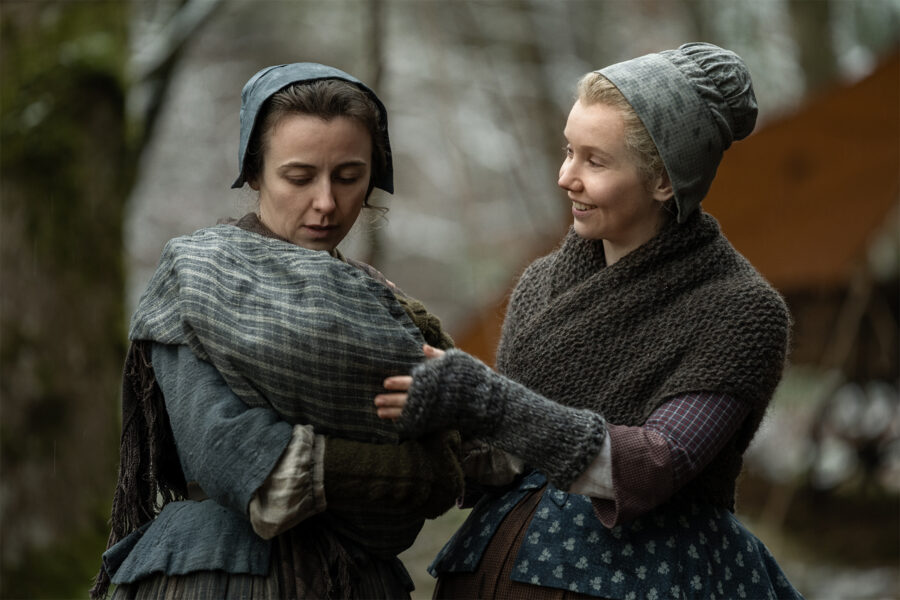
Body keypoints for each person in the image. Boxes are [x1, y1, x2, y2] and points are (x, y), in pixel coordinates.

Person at [375, 43, 804, 599]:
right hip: (490, 569)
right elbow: (510, 456)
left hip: (643, 579)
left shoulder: (740, 312)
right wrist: (424, 406)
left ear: (664, 180)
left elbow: (655, 465)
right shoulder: (540, 284)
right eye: (568, 151)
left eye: (594, 161)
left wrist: (489, 401)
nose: (565, 177)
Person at [91, 63, 463, 600]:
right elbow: (237, 459)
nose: (326, 203)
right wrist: (422, 472)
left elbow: (479, 447)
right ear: (255, 172)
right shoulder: (198, 282)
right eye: (299, 177)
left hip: (360, 580)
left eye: (348, 176)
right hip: (217, 579)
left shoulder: (383, 304)